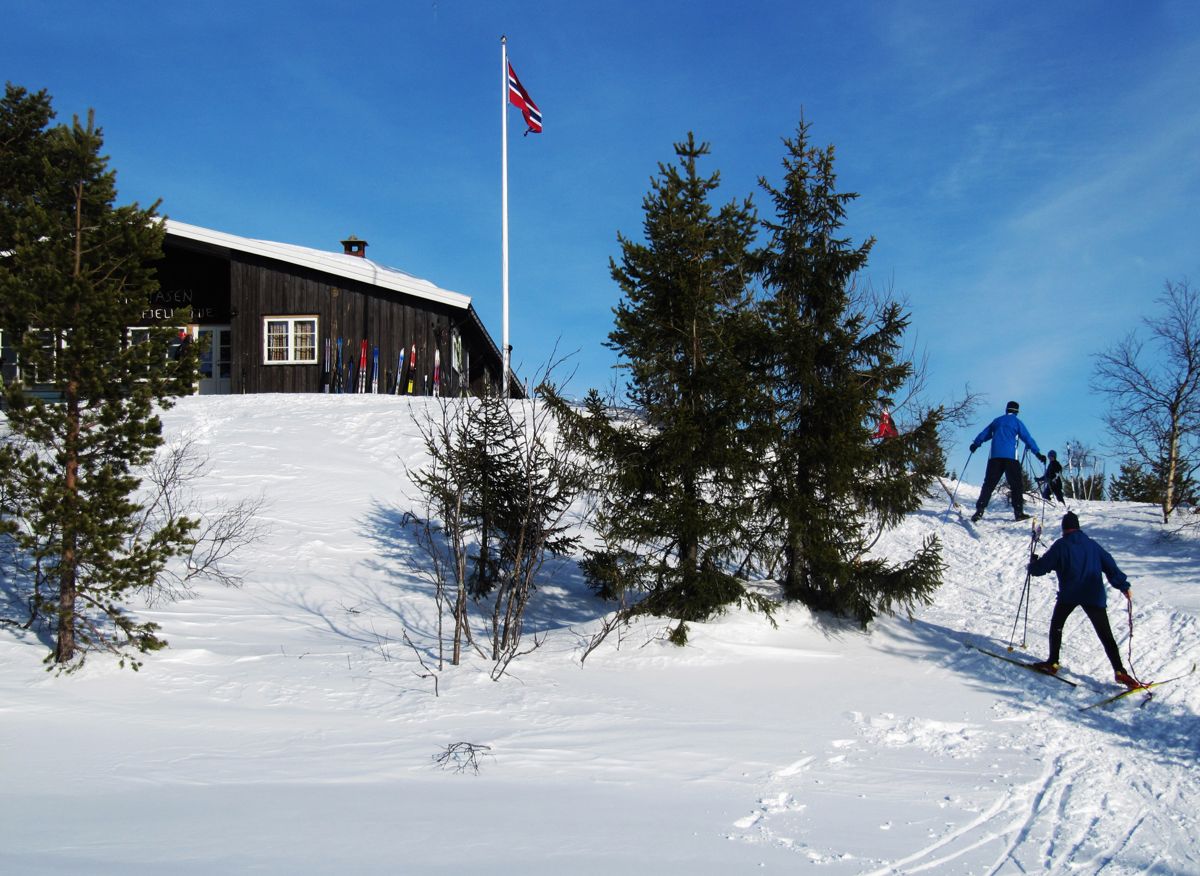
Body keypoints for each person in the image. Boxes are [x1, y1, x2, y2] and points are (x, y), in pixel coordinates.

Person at [1027, 511, 1140, 689]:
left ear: (1064, 528)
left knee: (1057, 625)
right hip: (1093, 594)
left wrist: (1032, 564)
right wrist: (1123, 586)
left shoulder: (1061, 545)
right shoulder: (1092, 545)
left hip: (1069, 595)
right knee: (1105, 634)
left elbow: (1040, 569)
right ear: (1078, 527)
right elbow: (1110, 565)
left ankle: (1053, 662)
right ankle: (1120, 672)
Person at [969, 400, 1045, 522]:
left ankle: (980, 510)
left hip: (995, 457)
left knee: (989, 484)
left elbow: (985, 433)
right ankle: (1018, 513)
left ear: (1006, 409)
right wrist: (1038, 453)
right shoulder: (1017, 422)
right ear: (1017, 411)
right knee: (1016, 485)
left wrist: (976, 444)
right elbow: (1027, 438)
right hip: (1011, 458)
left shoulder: (997, 421)